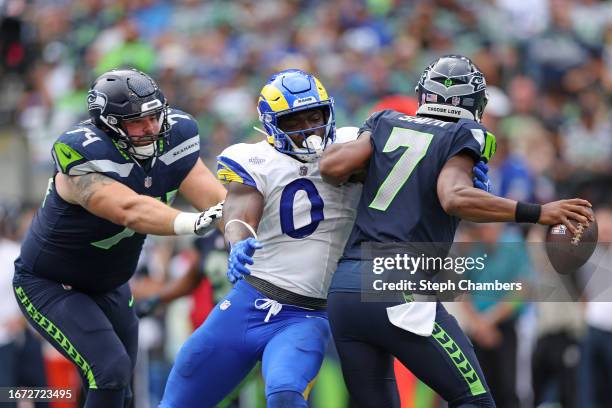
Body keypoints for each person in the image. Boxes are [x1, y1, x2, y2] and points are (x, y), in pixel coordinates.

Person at [160, 69, 491, 408]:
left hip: (306, 313)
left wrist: (456, 171)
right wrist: (238, 237)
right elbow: (241, 208)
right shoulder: (253, 158)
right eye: (293, 120)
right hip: (248, 302)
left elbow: (409, 171)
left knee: (285, 393)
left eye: (314, 116)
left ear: (328, 112)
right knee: (176, 402)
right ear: (271, 124)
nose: (308, 128)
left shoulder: (357, 144)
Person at [319, 55, 594, 407]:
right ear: (476, 103)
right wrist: (537, 212)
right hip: (397, 281)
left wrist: (372, 165)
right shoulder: (465, 133)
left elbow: (331, 166)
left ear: (424, 94)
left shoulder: (384, 121)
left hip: (345, 289)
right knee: (474, 400)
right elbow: (453, 197)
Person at [12, 68, 225, 408]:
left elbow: (217, 199)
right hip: (51, 283)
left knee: (121, 388)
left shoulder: (175, 135)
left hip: (110, 284)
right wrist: (193, 222)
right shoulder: (80, 153)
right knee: (109, 370)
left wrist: (243, 229)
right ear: (109, 124)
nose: (152, 129)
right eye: (137, 122)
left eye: (155, 116)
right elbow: (128, 209)